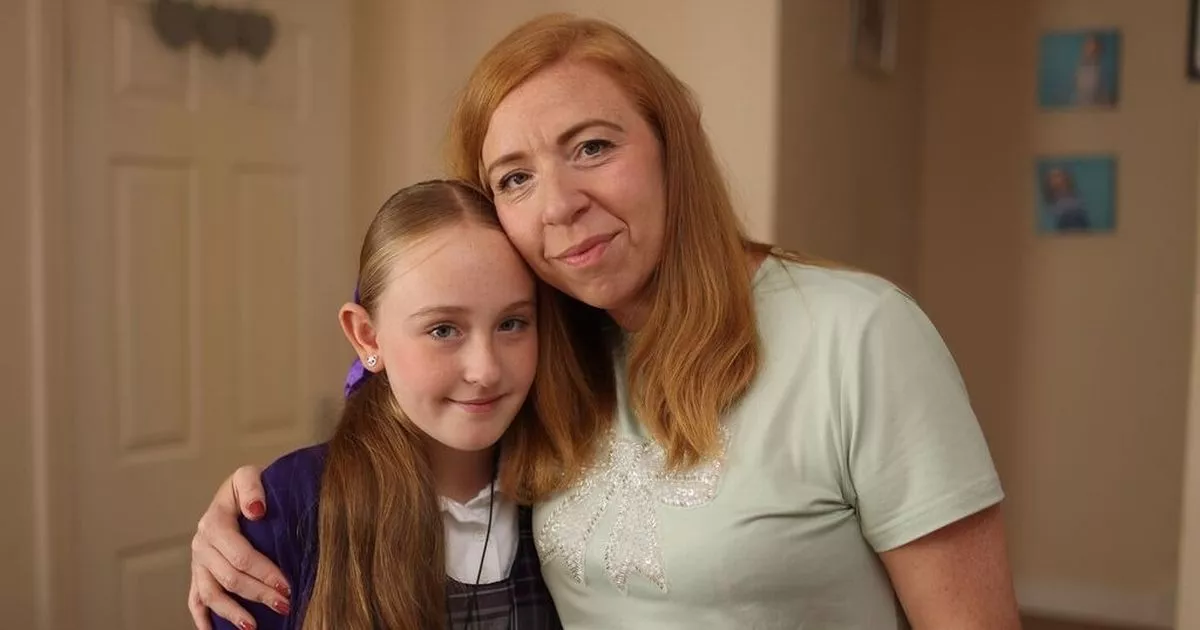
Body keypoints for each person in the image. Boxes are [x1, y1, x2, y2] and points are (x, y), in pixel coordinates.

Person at [189, 13, 1022, 629]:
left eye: (592, 147)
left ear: (672, 145)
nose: (559, 204)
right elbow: (413, 406)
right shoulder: (547, 352)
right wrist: (261, 507)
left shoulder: (860, 336)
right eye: (514, 178)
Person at [204, 180, 563, 630]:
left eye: (512, 323)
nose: (485, 370)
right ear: (367, 337)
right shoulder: (287, 508)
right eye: (443, 330)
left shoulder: (565, 495)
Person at [1042, 166, 1091, 231]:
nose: (1055, 180)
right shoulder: (1048, 207)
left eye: (1058, 175)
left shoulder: (1075, 206)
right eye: (1052, 177)